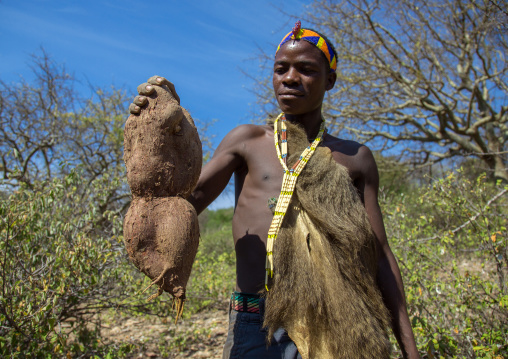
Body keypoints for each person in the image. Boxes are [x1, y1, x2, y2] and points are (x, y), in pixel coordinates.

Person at [130, 22, 419, 359]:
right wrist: (162, 132)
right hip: (257, 323)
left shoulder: (355, 159)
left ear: (330, 80)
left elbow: (379, 254)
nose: (290, 77)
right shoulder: (248, 141)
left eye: (306, 69)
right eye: (281, 68)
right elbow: (183, 203)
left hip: (338, 322)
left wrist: (410, 351)